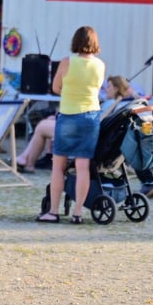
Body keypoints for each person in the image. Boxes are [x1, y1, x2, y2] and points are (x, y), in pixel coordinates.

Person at [36, 26, 105, 224]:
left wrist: (69, 91)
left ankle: (54, 211)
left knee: (58, 166)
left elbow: (56, 87)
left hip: (68, 115)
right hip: (90, 117)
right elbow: (96, 88)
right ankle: (77, 213)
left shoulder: (67, 62)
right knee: (83, 167)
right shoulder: (100, 65)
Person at [18, 74, 134, 173]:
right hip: (85, 130)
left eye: (108, 86)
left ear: (116, 88)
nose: (106, 89)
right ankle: (27, 160)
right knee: (46, 123)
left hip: (82, 133)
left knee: (42, 126)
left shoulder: (110, 104)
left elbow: (94, 119)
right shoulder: (115, 104)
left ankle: (28, 162)